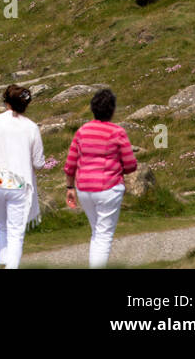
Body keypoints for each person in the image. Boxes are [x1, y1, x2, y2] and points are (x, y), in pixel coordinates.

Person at [0, 83, 45, 270]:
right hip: (19, 183)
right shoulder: (31, 128)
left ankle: (4, 263)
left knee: (2, 227)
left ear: (6, 102)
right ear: (25, 105)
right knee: (16, 232)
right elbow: (38, 163)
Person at [64, 87, 137, 269]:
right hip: (108, 188)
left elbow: (70, 164)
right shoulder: (117, 132)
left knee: (96, 233)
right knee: (104, 235)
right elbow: (130, 164)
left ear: (93, 108)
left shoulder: (82, 131)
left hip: (84, 189)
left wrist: (69, 188)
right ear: (112, 110)